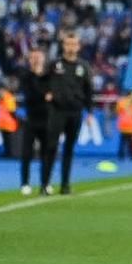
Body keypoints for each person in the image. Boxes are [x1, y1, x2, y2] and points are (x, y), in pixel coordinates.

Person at [41, 31, 93, 195]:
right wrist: (46, 93)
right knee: (51, 146)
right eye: (68, 44)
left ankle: (65, 185)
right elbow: (42, 82)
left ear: (78, 47)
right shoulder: (55, 65)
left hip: (75, 111)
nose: (71, 47)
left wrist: (90, 112)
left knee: (69, 148)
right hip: (57, 111)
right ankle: (45, 184)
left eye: (74, 44)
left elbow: (89, 90)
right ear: (63, 46)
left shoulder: (83, 67)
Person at [19, 49, 49, 195]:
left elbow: (53, 94)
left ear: (43, 59)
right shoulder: (26, 76)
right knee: (27, 153)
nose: (36, 60)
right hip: (31, 118)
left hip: (46, 119)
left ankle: (45, 183)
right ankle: (25, 183)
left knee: (46, 153)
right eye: (33, 57)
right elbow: (30, 95)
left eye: (38, 57)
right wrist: (44, 95)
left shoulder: (49, 76)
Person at [0, 81, 19, 158]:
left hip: (9, 123)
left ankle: (10, 153)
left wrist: (15, 120)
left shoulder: (9, 98)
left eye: (1, 91)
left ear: (4, 90)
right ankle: (7, 152)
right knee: (5, 140)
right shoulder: (3, 99)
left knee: (9, 140)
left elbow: (12, 110)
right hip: (3, 124)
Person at [115, 91, 132, 162]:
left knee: (123, 141)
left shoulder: (121, 102)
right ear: (130, 95)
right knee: (131, 142)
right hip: (130, 125)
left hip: (123, 125)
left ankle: (121, 156)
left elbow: (117, 111)